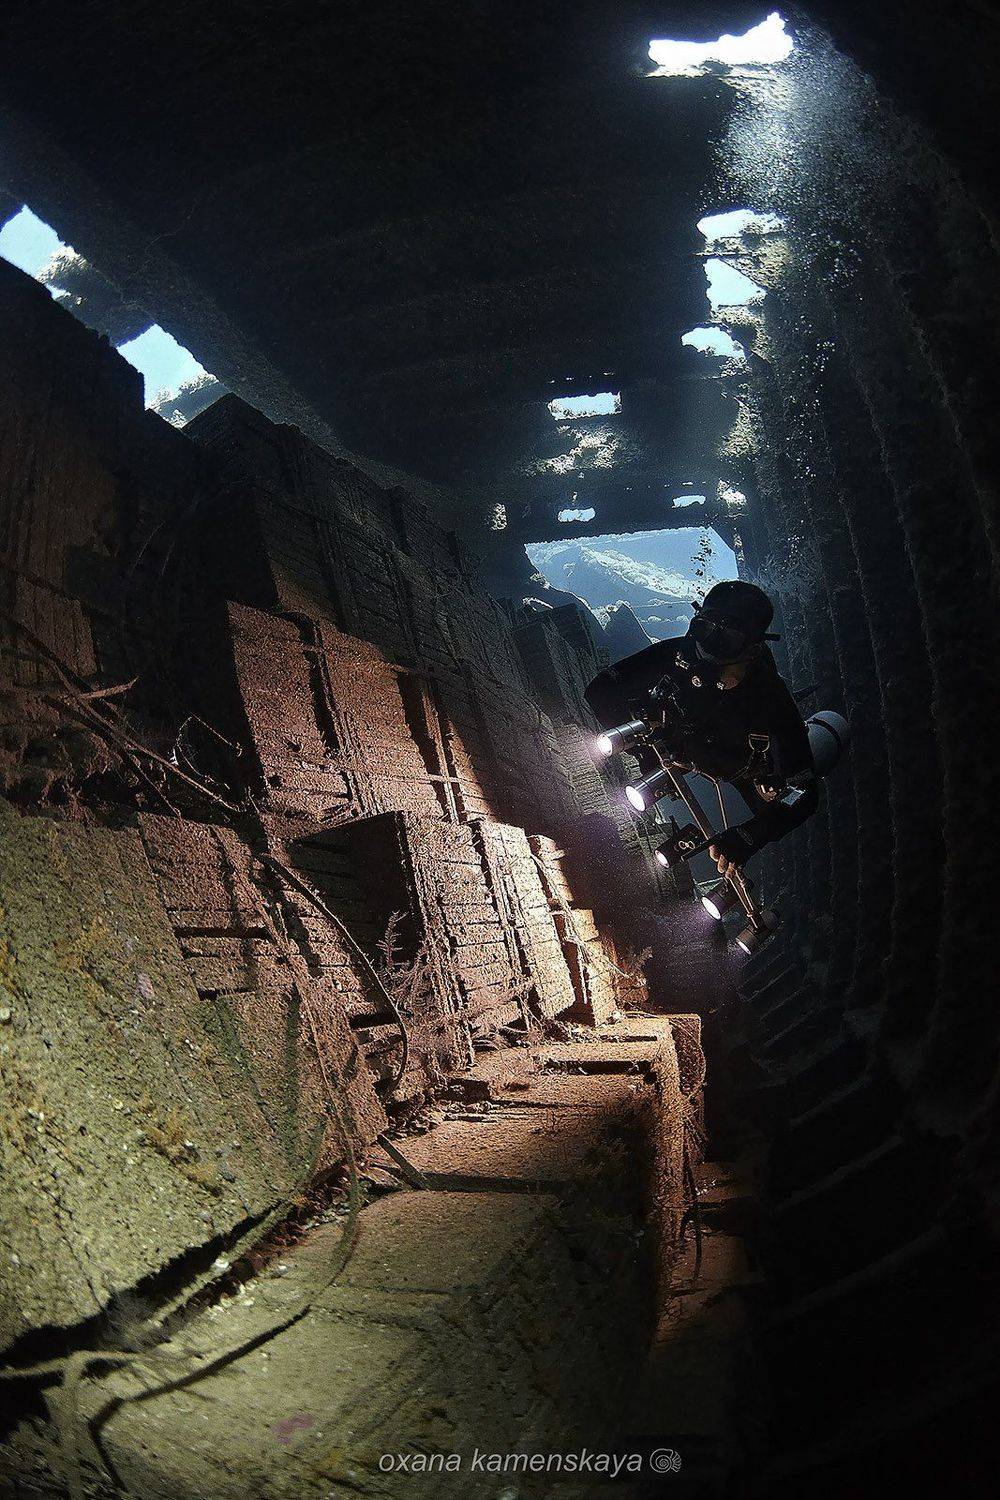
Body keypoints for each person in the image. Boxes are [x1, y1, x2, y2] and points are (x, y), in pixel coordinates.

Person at [585, 580, 818, 874]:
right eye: (705, 630)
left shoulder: (769, 696)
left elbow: (805, 792)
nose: (709, 649)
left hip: (744, 767)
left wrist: (748, 837)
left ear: (753, 648)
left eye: (728, 638)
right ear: (696, 624)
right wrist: (644, 754)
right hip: (683, 741)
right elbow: (601, 690)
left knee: (772, 815)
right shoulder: (681, 655)